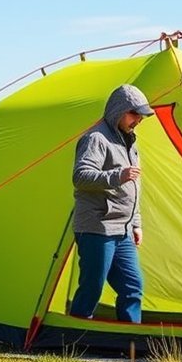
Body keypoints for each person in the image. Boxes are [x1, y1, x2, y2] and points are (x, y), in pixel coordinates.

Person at [69, 84, 155, 323]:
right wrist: (117, 175)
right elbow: (80, 176)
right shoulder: (96, 139)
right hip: (97, 228)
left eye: (141, 115)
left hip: (123, 230)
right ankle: (73, 336)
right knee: (92, 287)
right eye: (134, 113)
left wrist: (136, 223)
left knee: (132, 286)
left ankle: (129, 338)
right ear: (119, 110)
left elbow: (133, 187)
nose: (138, 120)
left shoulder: (130, 141)